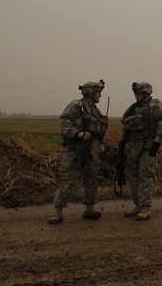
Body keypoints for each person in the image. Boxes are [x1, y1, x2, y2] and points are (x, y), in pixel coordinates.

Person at [48, 80, 108, 224]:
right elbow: (64, 121)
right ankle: (58, 211)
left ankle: (90, 208)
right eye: (98, 92)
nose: (100, 95)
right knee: (68, 179)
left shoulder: (96, 111)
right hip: (76, 149)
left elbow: (99, 131)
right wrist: (77, 134)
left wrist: (101, 144)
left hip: (91, 150)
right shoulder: (77, 105)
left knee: (91, 179)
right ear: (90, 93)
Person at [119, 81, 162, 221]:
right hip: (133, 147)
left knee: (145, 176)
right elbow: (126, 125)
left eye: (138, 93)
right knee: (132, 175)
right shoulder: (133, 109)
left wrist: (157, 142)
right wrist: (123, 142)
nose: (136, 96)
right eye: (135, 93)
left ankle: (146, 206)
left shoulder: (156, 105)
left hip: (147, 146)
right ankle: (138, 204)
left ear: (146, 93)